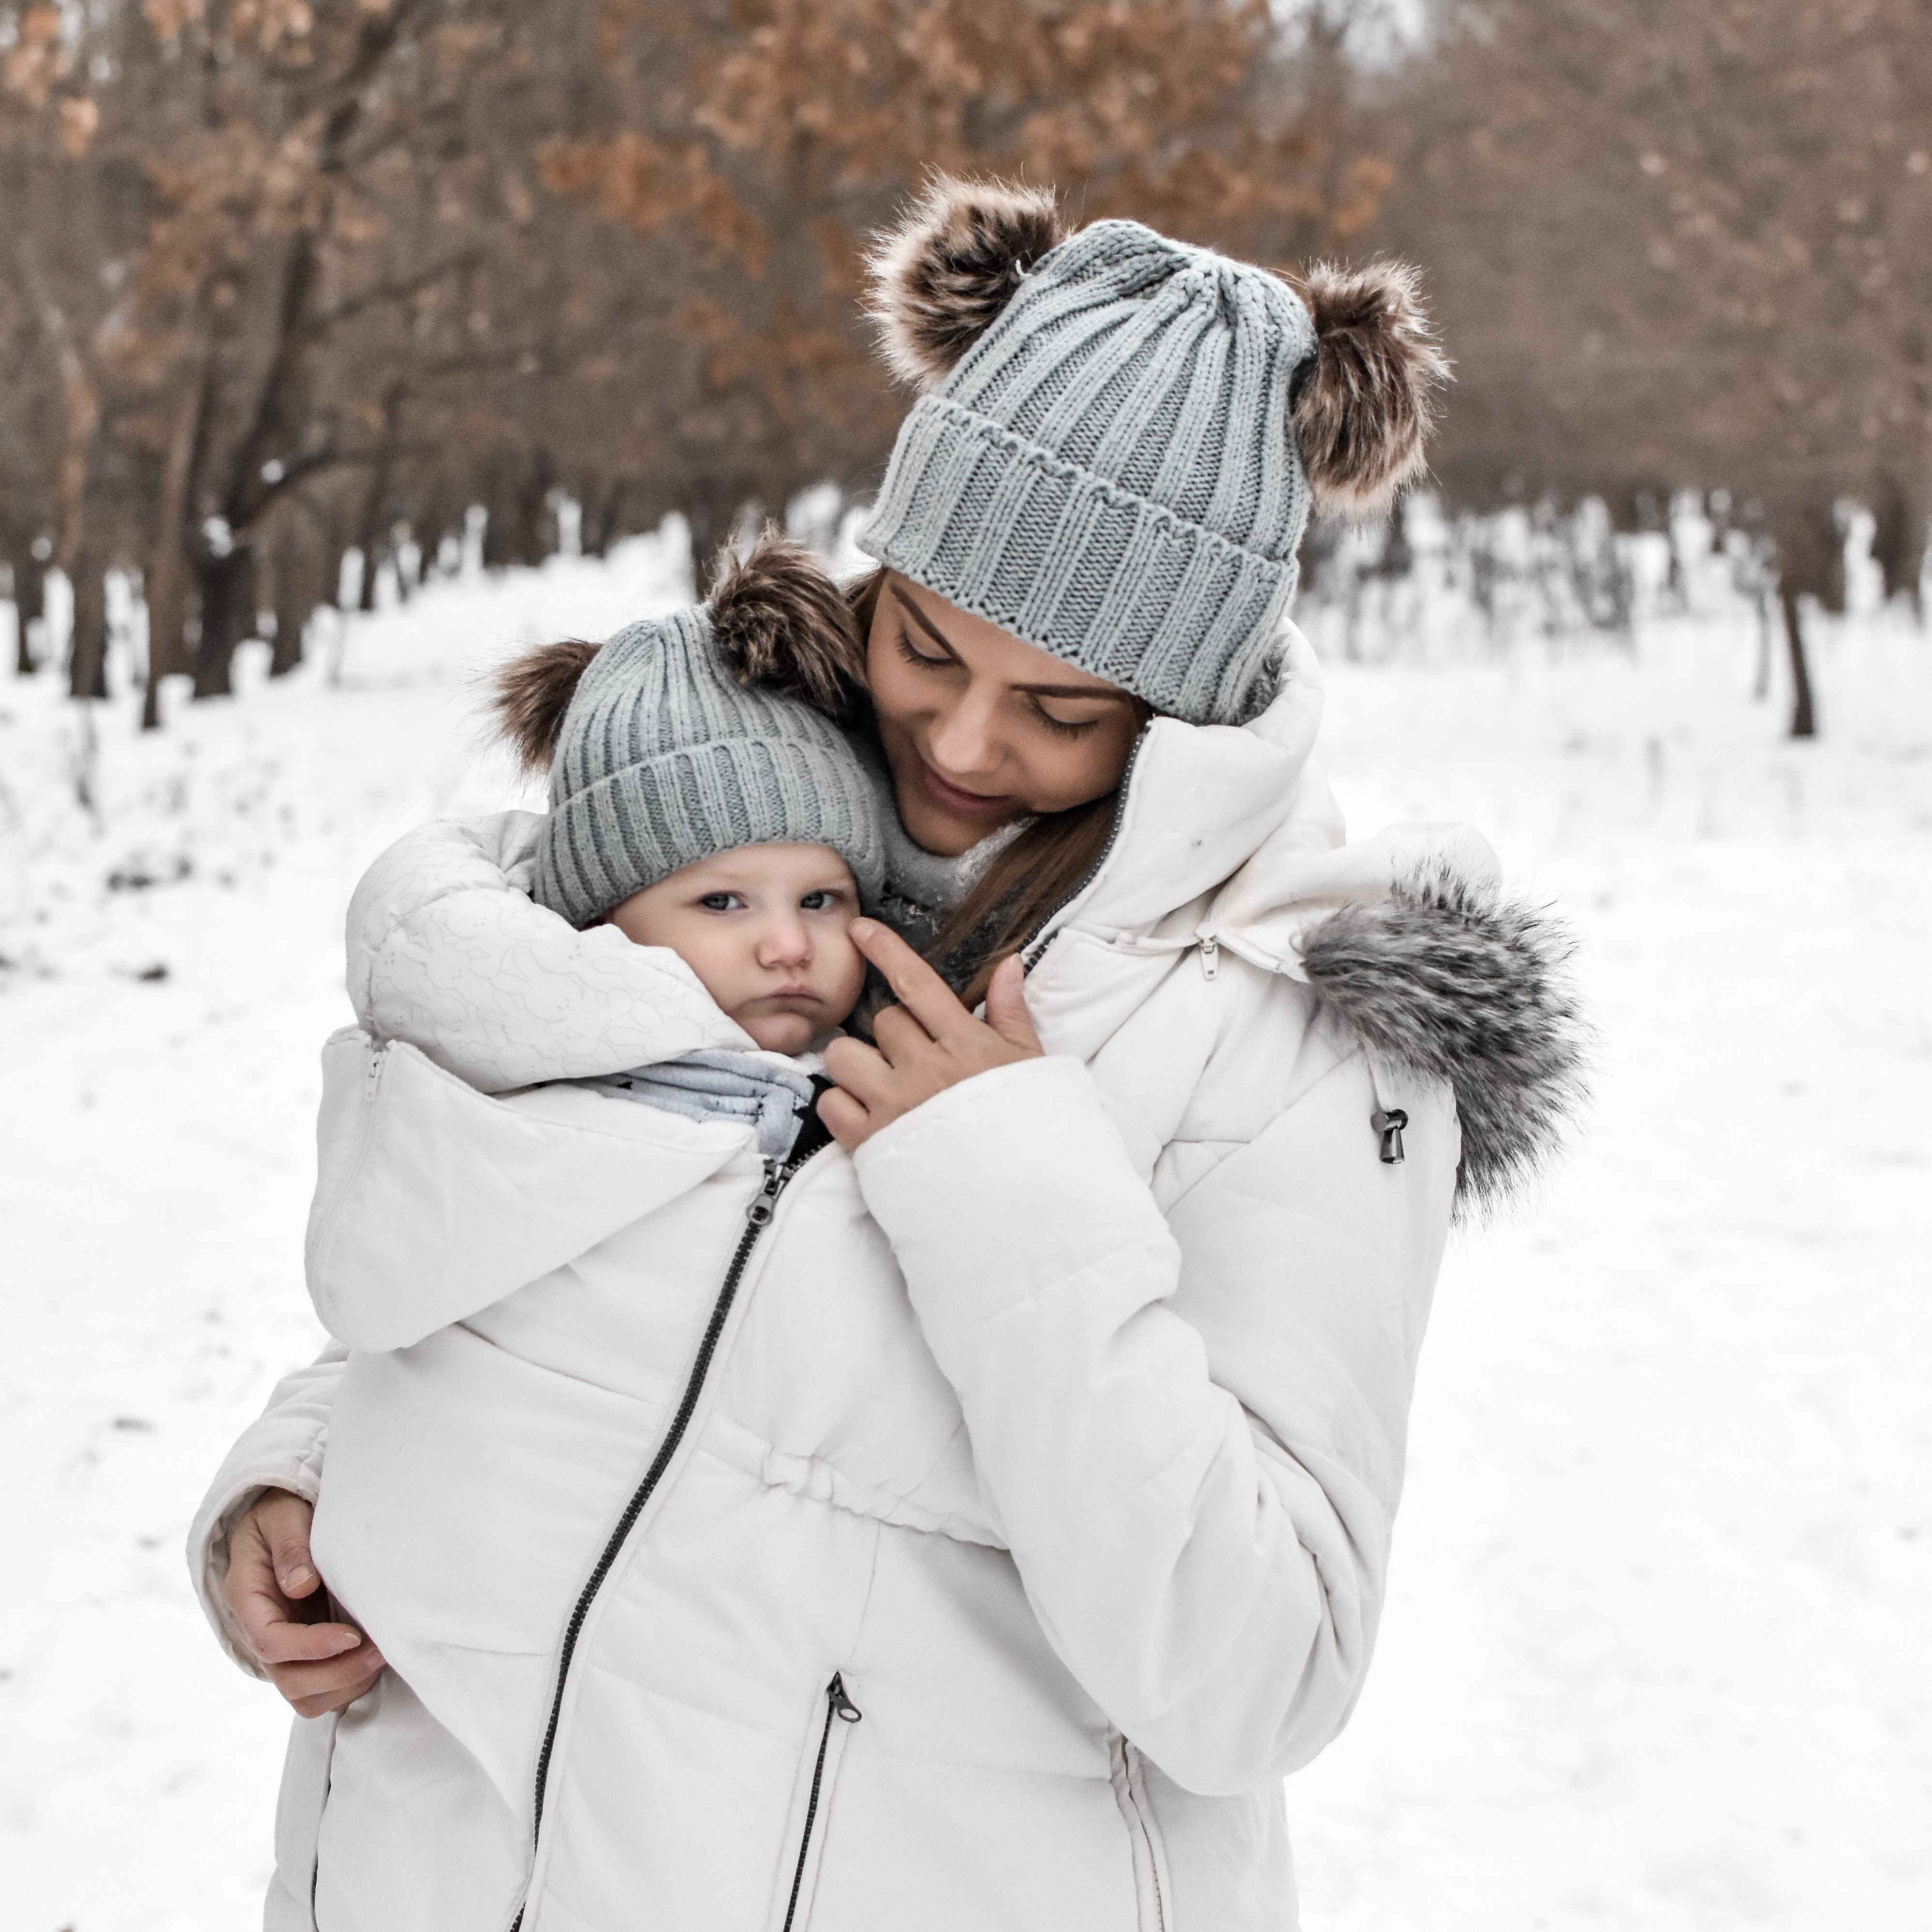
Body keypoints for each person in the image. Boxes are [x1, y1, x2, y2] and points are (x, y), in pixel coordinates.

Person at [190, 177, 1586, 1932]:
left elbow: (1261, 1672)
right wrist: (313, 1469)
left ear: (1187, 710)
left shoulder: (1289, 1034)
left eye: (1065, 709)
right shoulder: (749, 828)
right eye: (924, 643)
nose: (963, 737)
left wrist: (1008, 1188)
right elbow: (541, 1228)